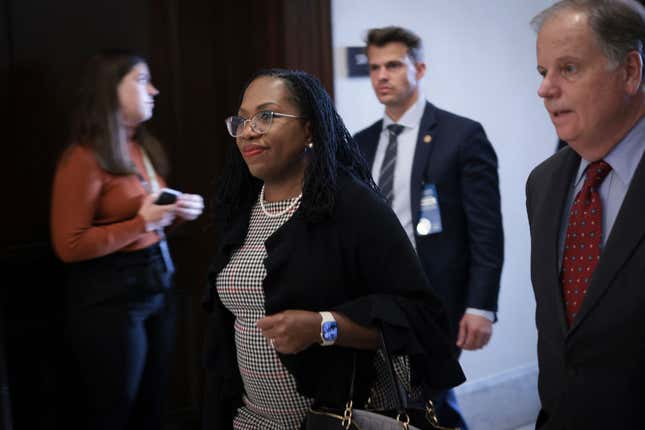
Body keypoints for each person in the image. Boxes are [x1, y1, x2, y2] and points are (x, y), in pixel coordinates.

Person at [201, 68, 465, 429]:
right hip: (251, 419)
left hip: (335, 420)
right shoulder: (242, 207)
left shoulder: (353, 207)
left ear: (309, 129)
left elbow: (418, 319)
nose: (249, 130)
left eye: (267, 116)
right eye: (242, 120)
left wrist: (324, 327)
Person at [353, 26, 504, 429]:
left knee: (429, 401)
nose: (382, 76)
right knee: (394, 403)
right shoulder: (360, 143)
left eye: (393, 65)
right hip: (372, 299)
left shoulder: (461, 136)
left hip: (434, 298)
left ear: (419, 68)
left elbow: (486, 228)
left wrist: (480, 306)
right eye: (374, 67)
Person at [50, 50, 204, 429]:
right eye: (140, 80)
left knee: (153, 406)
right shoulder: (83, 158)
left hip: (157, 285)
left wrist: (177, 213)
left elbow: (150, 221)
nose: (152, 90)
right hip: (111, 300)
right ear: (109, 90)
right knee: (115, 410)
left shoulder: (140, 147)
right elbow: (69, 246)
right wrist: (142, 222)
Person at [526, 1, 645, 428]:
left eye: (569, 69)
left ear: (630, 72)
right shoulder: (542, 184)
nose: (546, 89)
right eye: (543, 73)